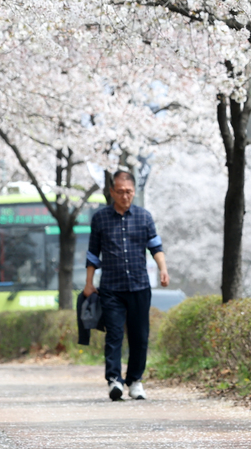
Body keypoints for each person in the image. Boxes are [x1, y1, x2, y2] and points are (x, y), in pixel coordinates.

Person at [82, 170, 169, 401]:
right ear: (111, 192)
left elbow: (155, 246)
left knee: (140, 335)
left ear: (134, 192)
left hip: (140, 285)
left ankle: (135, 381)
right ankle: (114, 380)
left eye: (128, 192)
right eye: (119, 192)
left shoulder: (144, 217)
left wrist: (163, 269)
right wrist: (89, 283)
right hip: (111, 287)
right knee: (114, 334)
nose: (124, 196)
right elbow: (93, 254)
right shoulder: (100, 218)